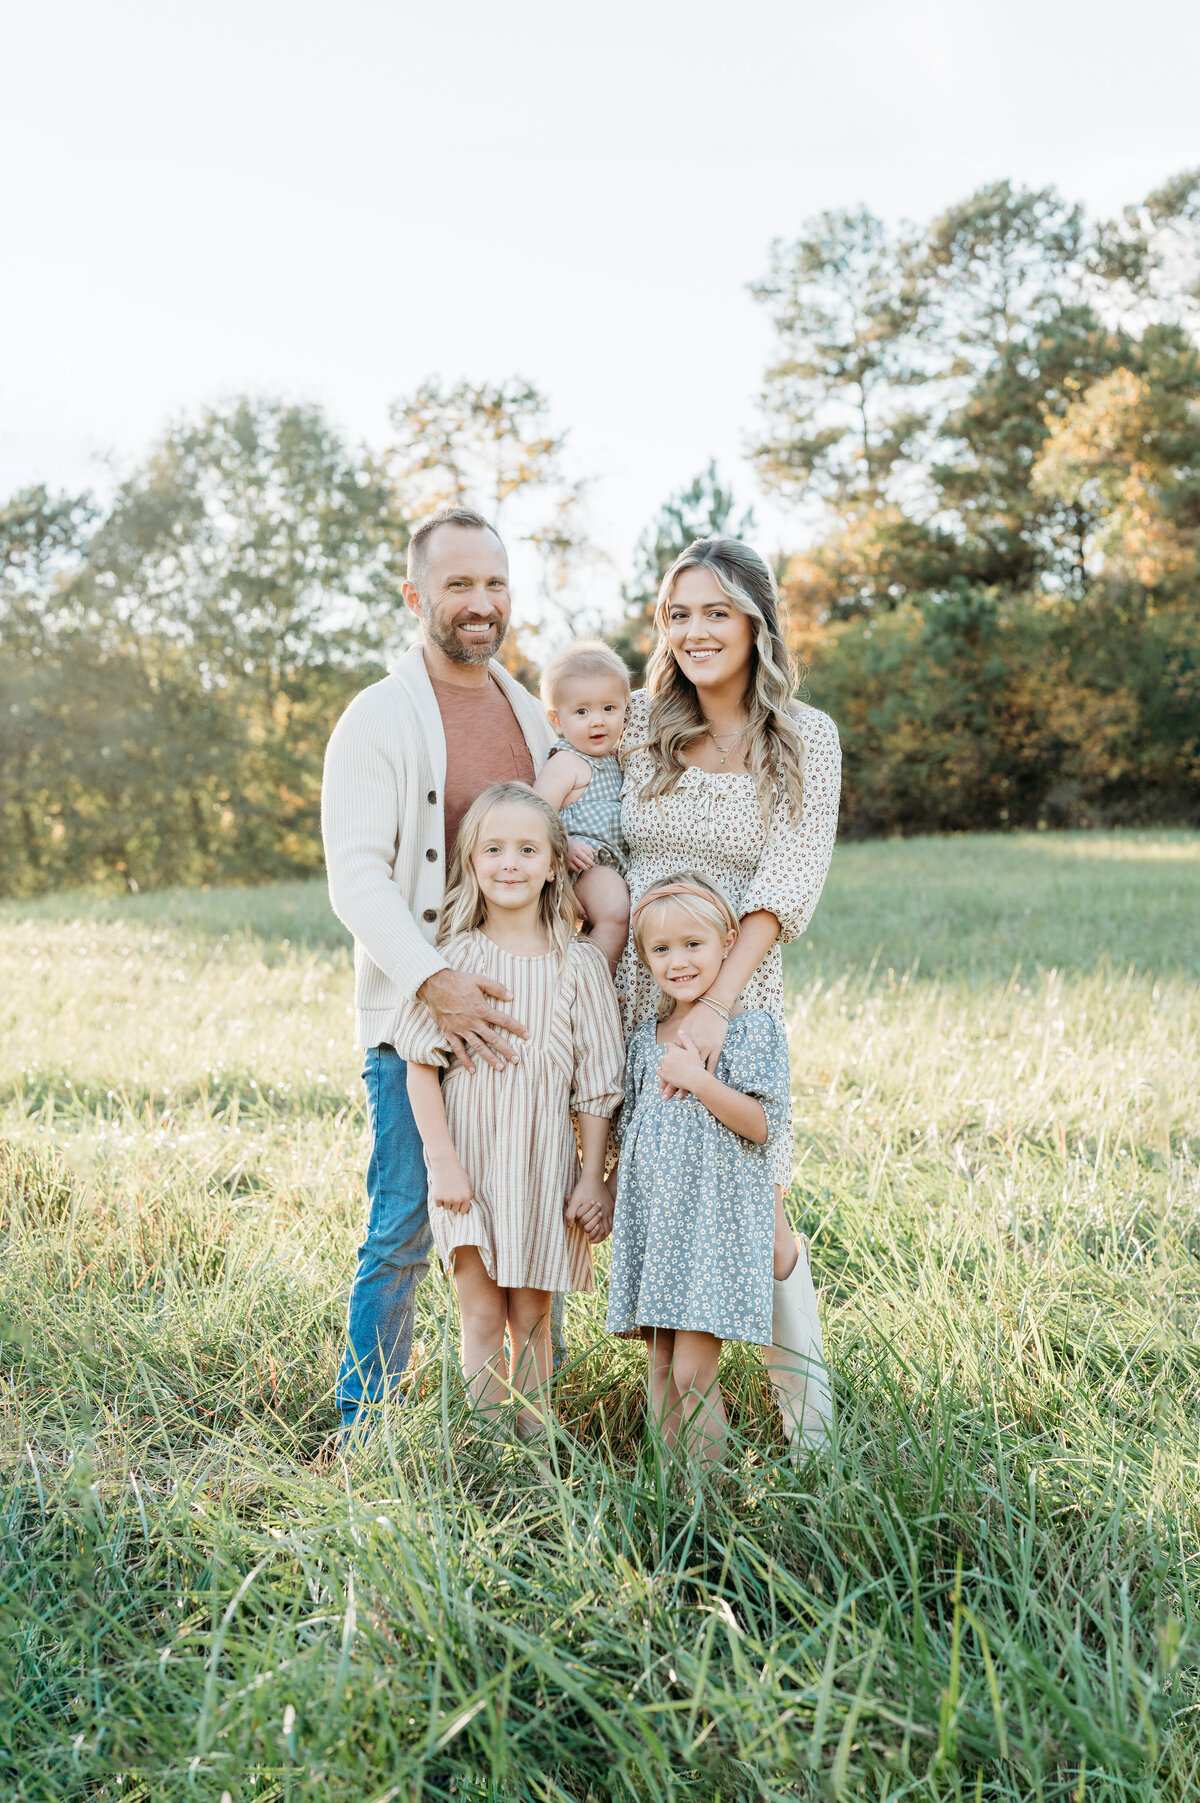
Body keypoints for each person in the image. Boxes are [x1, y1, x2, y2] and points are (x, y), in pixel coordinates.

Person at [321, 504, 555, 1434]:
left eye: (495, 583)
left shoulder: (528, 709)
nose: (481, 602)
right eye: (458, 583)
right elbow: (356, 876)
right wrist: (436, 983)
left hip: (515, 1016)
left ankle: (516, 1420)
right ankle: (362, 1423)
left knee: (521, 1219)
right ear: (417, 594)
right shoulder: (377, 718)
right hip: (416, 1019)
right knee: (406, 1223)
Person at [616, 537, 840, 1452]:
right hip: (637, 987)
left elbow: (790, 877)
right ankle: (676, 1430)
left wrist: (715, 1008)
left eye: (717, 611)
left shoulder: (804, 736)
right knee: (662, 1197)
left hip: (739, 987)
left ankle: (811, 1427)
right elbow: (587, 818)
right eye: (679, 613)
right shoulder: (638, 723)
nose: (697, 630)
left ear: (756, 620)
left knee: (762, 1212)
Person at [396, 783, 624, 1437]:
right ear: (471, 862)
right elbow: (419, 1062)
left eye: (527, 849)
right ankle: (490, 1448)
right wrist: (443, 1167)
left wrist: (590, 1177)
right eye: (493, 848)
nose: (510, 863)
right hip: (468, 1168)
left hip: (543, 1169)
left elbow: (599, 1084)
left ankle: (535, 1450)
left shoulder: (579, 966)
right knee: (480, 1315)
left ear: (555, 863)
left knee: (532, 1318)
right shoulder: (455, 960)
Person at [607, 874, 791, 1466]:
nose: (678, 961)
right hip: (657, 1227)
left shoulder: (750, 1030)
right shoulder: (642, 1042)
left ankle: (711, 1507)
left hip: (712, 1228)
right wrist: (607, 1190)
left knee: (691, 1374)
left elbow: (762, 1126)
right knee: (659, 1371)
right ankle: (669, 1497)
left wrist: (701, 1082)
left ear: (728, 943)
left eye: (693, 944)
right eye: (660, 950)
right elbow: (634, 1129)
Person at [533, 639, 631, 977]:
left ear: (626, 707)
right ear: (557, 720)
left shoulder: (620, 760)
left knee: (617, 912)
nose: (597, 722)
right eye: (582, 711)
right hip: (580, 867)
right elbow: (536, 813)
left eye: (609, 708)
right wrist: (564, 845)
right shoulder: (568, 763)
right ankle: (596, 984)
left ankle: (587, 974)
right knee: (615, 911)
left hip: (610, 868)